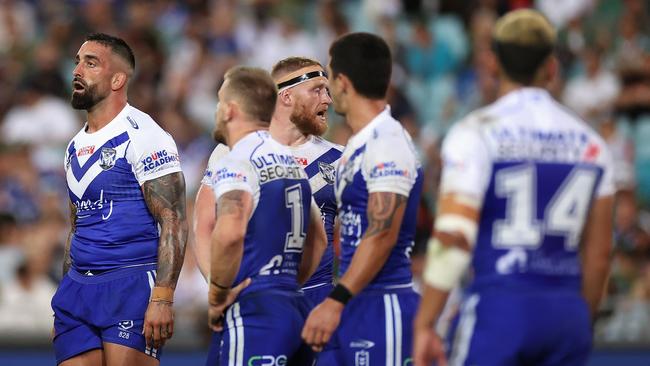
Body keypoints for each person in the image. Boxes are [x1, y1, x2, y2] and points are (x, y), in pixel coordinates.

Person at [413, 9, 614, 366]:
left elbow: (454, 236)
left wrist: (426, 323)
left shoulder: (475, 132)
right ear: (551, 67)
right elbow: (599, 256)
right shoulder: (592, 143)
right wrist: (580, 319)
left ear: (492, 64)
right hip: (567, 313)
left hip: (500, 307)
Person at [193, 56, 341, 365]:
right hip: (288, 298)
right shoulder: (288, 162)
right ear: (284, 96)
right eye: (317, 90)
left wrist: (220, 293)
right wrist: (288, 284)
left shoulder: (239, 156)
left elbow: (228, 229)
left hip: (262, 300)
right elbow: (320, 238)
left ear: (231, 109)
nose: (327, 99)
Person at [51, 33, 188, 366]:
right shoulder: (72, 148)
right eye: (78, 61)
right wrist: (65, 286)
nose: (77, 70)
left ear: (118, 79)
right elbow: (77, 225)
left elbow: (173, 219)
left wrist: (163, 298)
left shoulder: (145, 135)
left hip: (130, 285)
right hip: (77, 289)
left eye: (91, 62)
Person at [302, 32, 424, 365]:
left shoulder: (388, 143)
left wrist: (336, 299)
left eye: (328, 76)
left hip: (384, 305)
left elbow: (381, 233)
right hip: (357, 300)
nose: (326, 89)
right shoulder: (358, 146)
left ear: (342, 82)